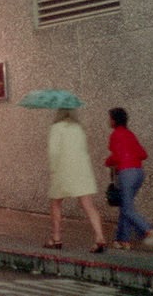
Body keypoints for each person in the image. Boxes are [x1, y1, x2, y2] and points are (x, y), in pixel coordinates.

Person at [45, 108, 107, 253]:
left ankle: (56, 238)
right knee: (88, 205)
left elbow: (53, 151)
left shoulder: (56, 127)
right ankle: (99, 237)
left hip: (63, 170)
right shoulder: (79, 128)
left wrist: (53, 170)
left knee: (56, 203)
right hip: (82, 171)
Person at [105, 107, 153, 249]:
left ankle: (147, 230)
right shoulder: (130, 134)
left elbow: (116, 157)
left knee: (128, 209)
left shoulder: (115, 135)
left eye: (110, 118)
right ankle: (123, 240)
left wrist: (108, 162)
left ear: (114, 120)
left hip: (126, 173)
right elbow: (143, 154)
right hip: (138, 173)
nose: (109, 120)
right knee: (125, 206)